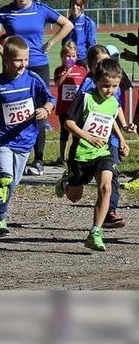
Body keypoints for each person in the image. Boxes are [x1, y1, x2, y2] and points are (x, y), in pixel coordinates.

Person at [0, 0, 73, 176]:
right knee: (10, 109)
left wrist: (51, 43)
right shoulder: (6, 12)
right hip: (12, 67)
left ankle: (38, 160)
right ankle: (6, 150)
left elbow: (67, 25)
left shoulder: (41, 9)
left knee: (39, 113)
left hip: (37, 65)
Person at [0, 36, 55, 237]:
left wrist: (45, 110)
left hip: (25, 139)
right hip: (2, 139)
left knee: (12, 183)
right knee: (6, 178)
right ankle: (0, 219)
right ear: (5, 60)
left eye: (25, 59)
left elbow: (50, 98)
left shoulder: (32, 78)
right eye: (18, 60)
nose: (23, 64)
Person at [55, 58, 130, 251]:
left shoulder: (113, 102)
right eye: (105, 86)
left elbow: (110, 120)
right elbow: (68, 123)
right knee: (74, 197)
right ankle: (66, 182)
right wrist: (88, 137)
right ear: (96, 81)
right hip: (81, 154)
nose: (110, 90)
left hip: (103, 152)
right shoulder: (86, 98)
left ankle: (95, 231)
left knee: (106, 187)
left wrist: (121, 139)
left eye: (114, 86)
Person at [74, 45, 135, 228]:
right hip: (87, 142)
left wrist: (123, 131)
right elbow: (79, 113)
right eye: (100, 62)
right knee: (80, 182)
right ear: (92, 65)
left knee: (111, 176)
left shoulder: (112, 82)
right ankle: (71, 180)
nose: (105, 65)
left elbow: (113, 111)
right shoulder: (88, 86)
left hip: (110, 140)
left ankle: (110, 211)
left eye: (107, 60)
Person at [51, 41, 87, 166]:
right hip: (64, 107)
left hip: (77, 107)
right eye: (67, 56)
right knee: (64, 132)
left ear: (76, 57)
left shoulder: (81, 70)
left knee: (77, 131)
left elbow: (85, 86)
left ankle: (75, 155)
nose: (70, 58)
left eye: (73, 56)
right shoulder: (59, 70)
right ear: (62, 57)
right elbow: (57, 84)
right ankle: (62, 156)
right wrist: (66, 72)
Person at [62, 0, 96, 64]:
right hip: (68, 58)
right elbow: (63, 42)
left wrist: (89, 60)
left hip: (82, 59)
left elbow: (91, 44)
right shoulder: (67, 22)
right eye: (72, 5)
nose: (75, 7)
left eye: (77, 5)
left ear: (82, 7)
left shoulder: (88, 22)